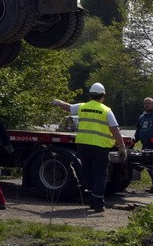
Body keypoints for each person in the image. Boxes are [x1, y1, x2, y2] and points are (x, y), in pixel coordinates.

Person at [51, 82, 127, 212]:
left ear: (91, 95)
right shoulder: (106, 110)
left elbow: (68, 107)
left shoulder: (82, 107)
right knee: (100, 175)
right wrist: (121, 147)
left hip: (83, 145)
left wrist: (57, 102)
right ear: (102, 96)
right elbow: (115, 130)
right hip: (100, 147)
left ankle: (92, 200)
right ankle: (97, 204)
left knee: (88, 173)